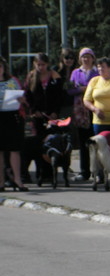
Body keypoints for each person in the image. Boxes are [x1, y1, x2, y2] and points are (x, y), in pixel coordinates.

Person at [24, 53, 63, 182]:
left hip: (51, 115)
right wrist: (34, 110)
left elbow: (58, 96)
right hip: (37, 115)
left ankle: (49, 173)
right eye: (38, 64)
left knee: (51, 143)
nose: (41, 67)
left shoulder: (54, 76)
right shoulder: (31, 77)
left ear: (47, 64)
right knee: (37, 144)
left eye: (43, 64)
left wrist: (55, 112)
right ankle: (39, 172)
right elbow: (28, 96)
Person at [83, 57, 110, 181]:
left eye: (103, 66)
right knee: (99, 148)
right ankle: (100, 175)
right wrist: (95, 109)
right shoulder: (94, 81)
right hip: (99, 122)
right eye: (98, 67)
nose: (100, 69)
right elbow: (86, 100)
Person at [0, 56, 29, 191]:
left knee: (14, 149)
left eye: (0, 66)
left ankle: (18, 180)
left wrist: (22, 99)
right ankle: (1, 181)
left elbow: (22, 97)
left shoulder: (13, 80)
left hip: (13, 116)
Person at [70, 48, 98, 181]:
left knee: (96, 141)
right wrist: (80, 89)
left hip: (94, 108)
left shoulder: (97, 72)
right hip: (80, 110)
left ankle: (97, 170)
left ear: (93, 58)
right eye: (83, 57)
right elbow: (69, 90)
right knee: (83, 142)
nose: (86, 59)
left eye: (88, 57)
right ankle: (84, 171)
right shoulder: (76, 72)